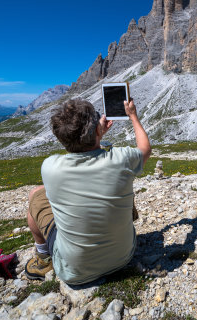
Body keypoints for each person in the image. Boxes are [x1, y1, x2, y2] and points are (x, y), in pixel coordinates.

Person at [25, 97, 151, 284]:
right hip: (124, 258)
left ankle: (43, 258)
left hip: (74, 273)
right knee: (122, 181)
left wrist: (96, 134)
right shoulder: (121, 160)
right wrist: (132, 115)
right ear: (97, 130)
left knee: (36, 195)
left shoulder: (50, 167)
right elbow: (145, 148)